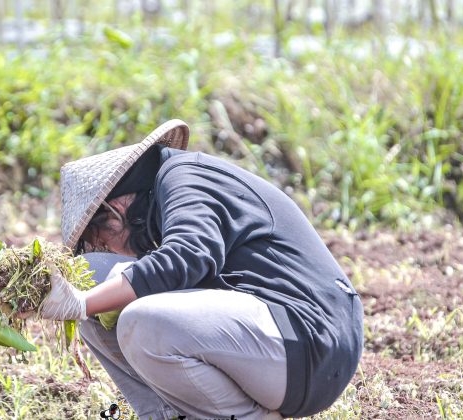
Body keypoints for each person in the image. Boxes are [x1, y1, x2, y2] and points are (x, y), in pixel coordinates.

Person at [35, 119, 363, 419]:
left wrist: (82, 302)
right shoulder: (164, 198)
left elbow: (187, 256)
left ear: (115, 207)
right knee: (87, 273)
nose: (109, 250)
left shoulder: (184, 175)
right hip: (273, 343)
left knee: (142, 321)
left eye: (101, 241)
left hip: (311, 342)